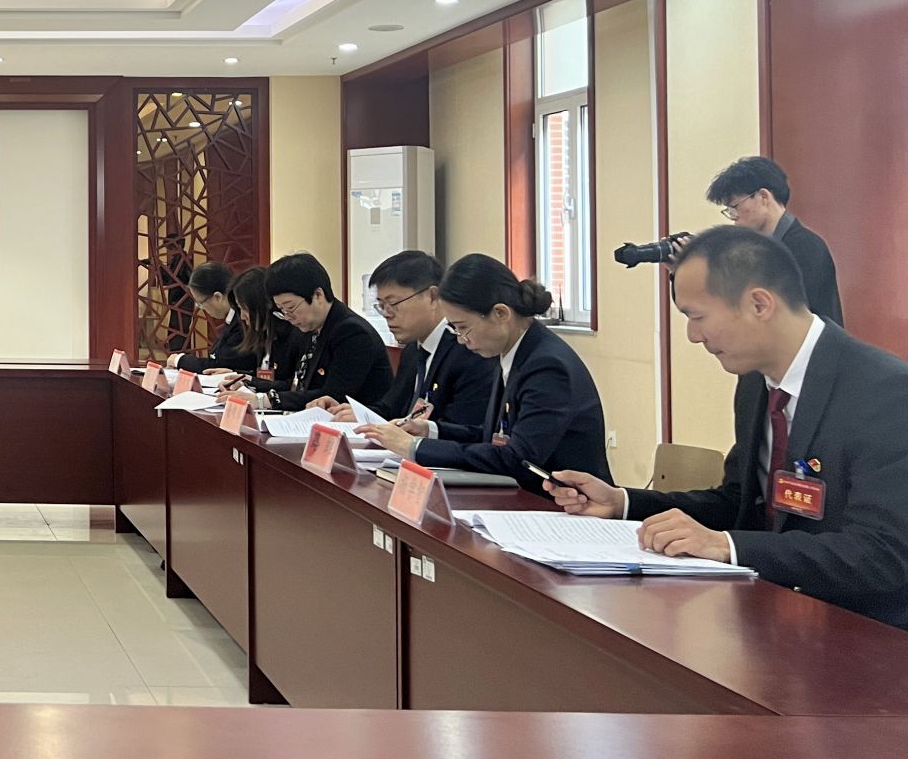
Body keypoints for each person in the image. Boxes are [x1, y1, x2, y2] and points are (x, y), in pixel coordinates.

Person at [547, 227, 908, 629]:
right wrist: (624, 503)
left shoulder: (886, 392)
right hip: (769, 616)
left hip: (863, 633)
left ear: (759, 304)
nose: (692, 336)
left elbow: (882, 553)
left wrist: (727, 545)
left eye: (697, 316)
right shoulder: (755, 384)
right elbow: (739, 501)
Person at [356, 254, 610, 491]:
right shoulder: (513, 350)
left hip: (565, 503)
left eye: (463, 328)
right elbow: (492, 436)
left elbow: (518, 458)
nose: (461, 339)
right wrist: (430, 430)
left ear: (501, 313)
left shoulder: (547, 366)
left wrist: (416, 447)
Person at [309, 250, 491, 440]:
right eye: (381, 306)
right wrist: (355, 413)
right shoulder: (413, 350)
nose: (387, 314)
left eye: (393, 304)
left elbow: (461, 432)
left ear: (433, 296)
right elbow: (391, 408)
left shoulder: (467, 350)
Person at [702, 156, 843, 326]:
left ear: (763, 197)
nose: (734, 217)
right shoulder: (763, 248)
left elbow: (784, 317)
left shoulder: (805, 247)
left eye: (735, 207)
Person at [244, 253, 386, 411]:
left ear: (318, 295)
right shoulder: (310, 327)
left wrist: (265, 400)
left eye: (290, 307)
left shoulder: (352, 332)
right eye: (281, 310)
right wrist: (252, 382)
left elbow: (332, 396)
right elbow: (298, 385)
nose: (288, 317)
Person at [166, 261, 239, 372]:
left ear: (218, 297)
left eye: (201, 303)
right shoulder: (231, 319)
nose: (201, 308)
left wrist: (179, 360)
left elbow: (220, 365)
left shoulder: (242, 321)